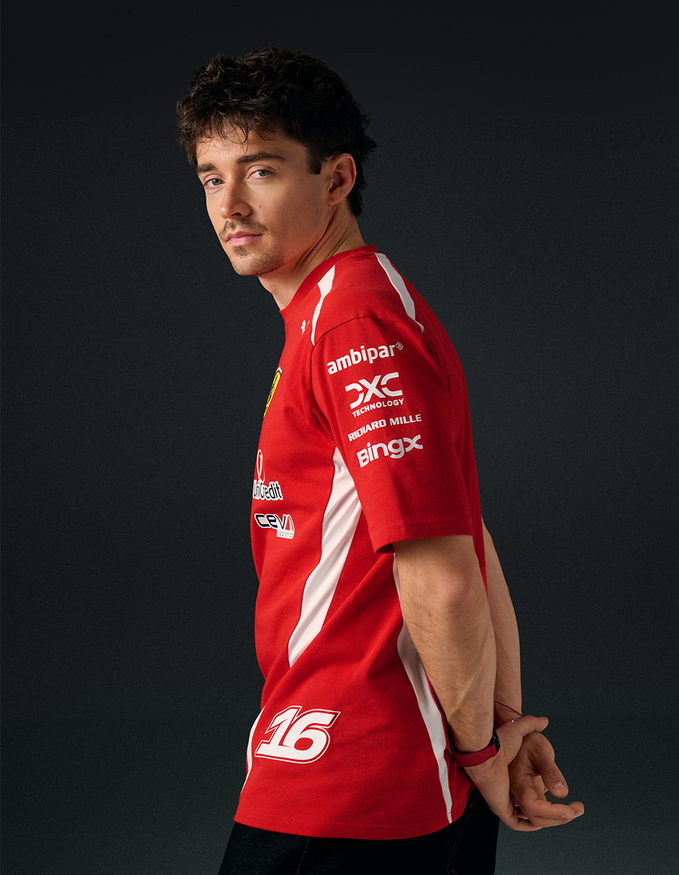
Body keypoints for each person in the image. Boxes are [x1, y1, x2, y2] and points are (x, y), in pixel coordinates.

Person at [176, 47, 583, 874]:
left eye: (261, 170)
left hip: (351, 784)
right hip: (400, 775)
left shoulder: (354, 322)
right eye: (213, 177)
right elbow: (470, 536)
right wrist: (498, 730)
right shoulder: (346, 309)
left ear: (336, 179)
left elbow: (446, 574)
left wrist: (482, 751)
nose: (230, 204)